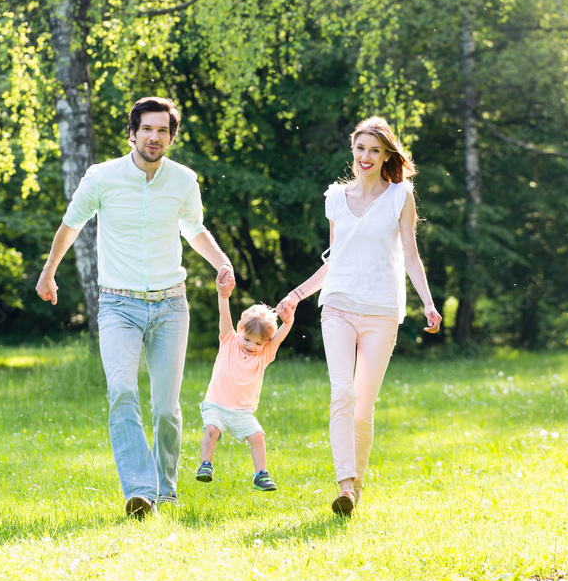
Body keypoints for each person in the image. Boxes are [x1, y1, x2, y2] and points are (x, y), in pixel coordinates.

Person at [35, 97, 235, 519]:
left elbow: (194, 228)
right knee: (122, 391)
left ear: (171, 137)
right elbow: (72, 223)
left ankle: (166, 491)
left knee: (166, 407)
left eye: (163, 131)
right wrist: (48, 271)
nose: (154, 137)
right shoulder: (102, 177)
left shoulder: (183, 181)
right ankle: (139, 491)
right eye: (147, 129)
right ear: (132, 132)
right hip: (117, 305)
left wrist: (222, 262)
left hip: (170, 305)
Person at [276, 116, 442, 516]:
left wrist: (429, 302)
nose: (366, 157)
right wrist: (297, 295)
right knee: (341, 394)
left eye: (375, 150)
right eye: (360, 148)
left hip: (382, 310)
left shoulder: (401, 195)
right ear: (352, 148)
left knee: (363, 406)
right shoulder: (335, 197)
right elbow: (335, 259)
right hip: (338, 305)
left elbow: (410, 254)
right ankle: (345, 487)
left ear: (387, 155)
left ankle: (357, 488)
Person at [194, 273, 294, 491]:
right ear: (240, 330)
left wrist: (288, 322)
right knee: (211, 429)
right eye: (247, 339)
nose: (251, 345)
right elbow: (224, 314)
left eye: (258, 343)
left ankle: (261, 474)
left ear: (265, 343)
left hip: (242, 412)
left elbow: (279, 338)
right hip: (216, 406)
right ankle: (206, 465)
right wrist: (223, 295)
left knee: (258, 436)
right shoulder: (229, 341)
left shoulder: (264, 356)